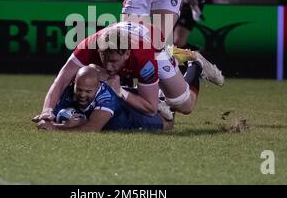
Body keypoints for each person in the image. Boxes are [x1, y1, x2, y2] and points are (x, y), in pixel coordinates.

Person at [32, 21, 224, 125]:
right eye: (103, 58)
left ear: (126, 54)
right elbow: (61, 79)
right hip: (129, 32)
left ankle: (194, 61)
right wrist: (47, 110)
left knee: (184, 105)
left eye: (114, 61)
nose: (108, 65)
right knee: (94, 73)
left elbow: (149, 108)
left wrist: (120, 92)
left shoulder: (143, 57)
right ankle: (158, 93)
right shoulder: (89, 45)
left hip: (154, 46)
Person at [33, 66, 173, 132]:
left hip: (139, 120)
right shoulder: (68, 91)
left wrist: (58, 128)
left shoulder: (105, 96)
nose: (82, 95)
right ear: (74, 84)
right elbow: (48, 118)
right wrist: (47, 118)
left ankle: (194, 65)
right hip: (121, 108)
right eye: (79, 90)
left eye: (88, 91)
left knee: (169, 120)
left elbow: (93, 128)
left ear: (98, 87)